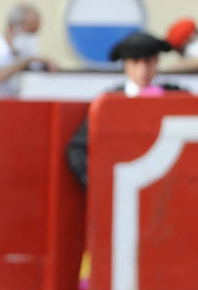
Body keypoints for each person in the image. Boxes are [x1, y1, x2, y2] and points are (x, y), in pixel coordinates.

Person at [65, 31, 188, 188]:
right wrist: (98, 188)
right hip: (123, 186)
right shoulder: (110, 101)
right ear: (126, 65)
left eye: (148, 61)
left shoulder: (175, 95)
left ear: (156, 62)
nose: (142, 70)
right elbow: (77, 149)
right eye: (136, 62)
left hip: (167, 185)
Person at [0, 3, 56, 99]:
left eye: (35, 33)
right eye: (29, 31)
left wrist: (47, 65)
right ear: (12, 27)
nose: (32, 38)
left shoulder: (25, 53)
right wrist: (26, 61)